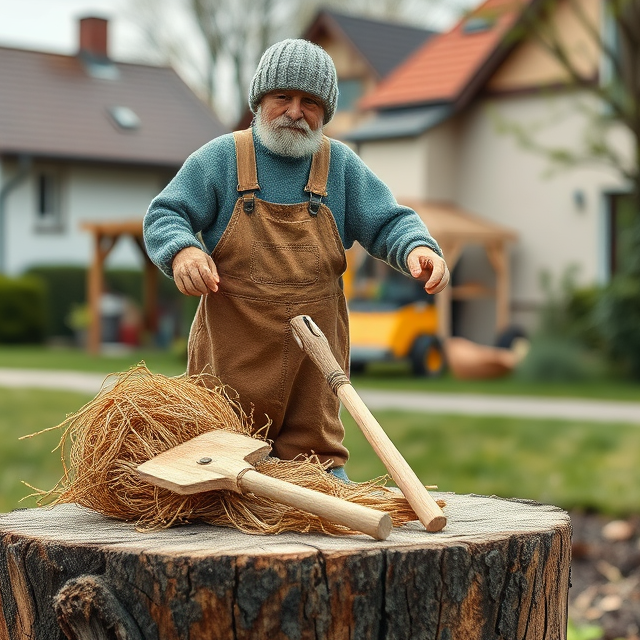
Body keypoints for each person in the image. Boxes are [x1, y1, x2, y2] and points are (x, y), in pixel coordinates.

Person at [144, 39, 449, 480]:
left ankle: (324, 487)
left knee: (318, 467)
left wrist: (417, 248)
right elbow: (166, 213)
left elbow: (388, 221)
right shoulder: (221, 159)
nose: (294, 111)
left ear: (325, 114)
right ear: (259, 101)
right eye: (282, 97)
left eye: (310, 102)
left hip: (315, 363)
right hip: (232, 357)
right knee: (217, 461)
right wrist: (182, 250)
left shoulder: (340, 165)